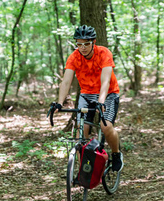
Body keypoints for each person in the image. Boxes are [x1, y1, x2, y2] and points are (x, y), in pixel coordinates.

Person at [51, 25, 123, 172]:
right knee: (80, 131)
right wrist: (59, 102)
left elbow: (106, 81)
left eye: (86, 44)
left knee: (106, 126)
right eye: (79, 44)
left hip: (108, 93)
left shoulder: (104, 53)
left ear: (93, 42)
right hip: (87, 93)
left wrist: (101, 101)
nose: (82, 47)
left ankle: (116, 154)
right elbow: (66, 82)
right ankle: (83, 170)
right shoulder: (74, 57)